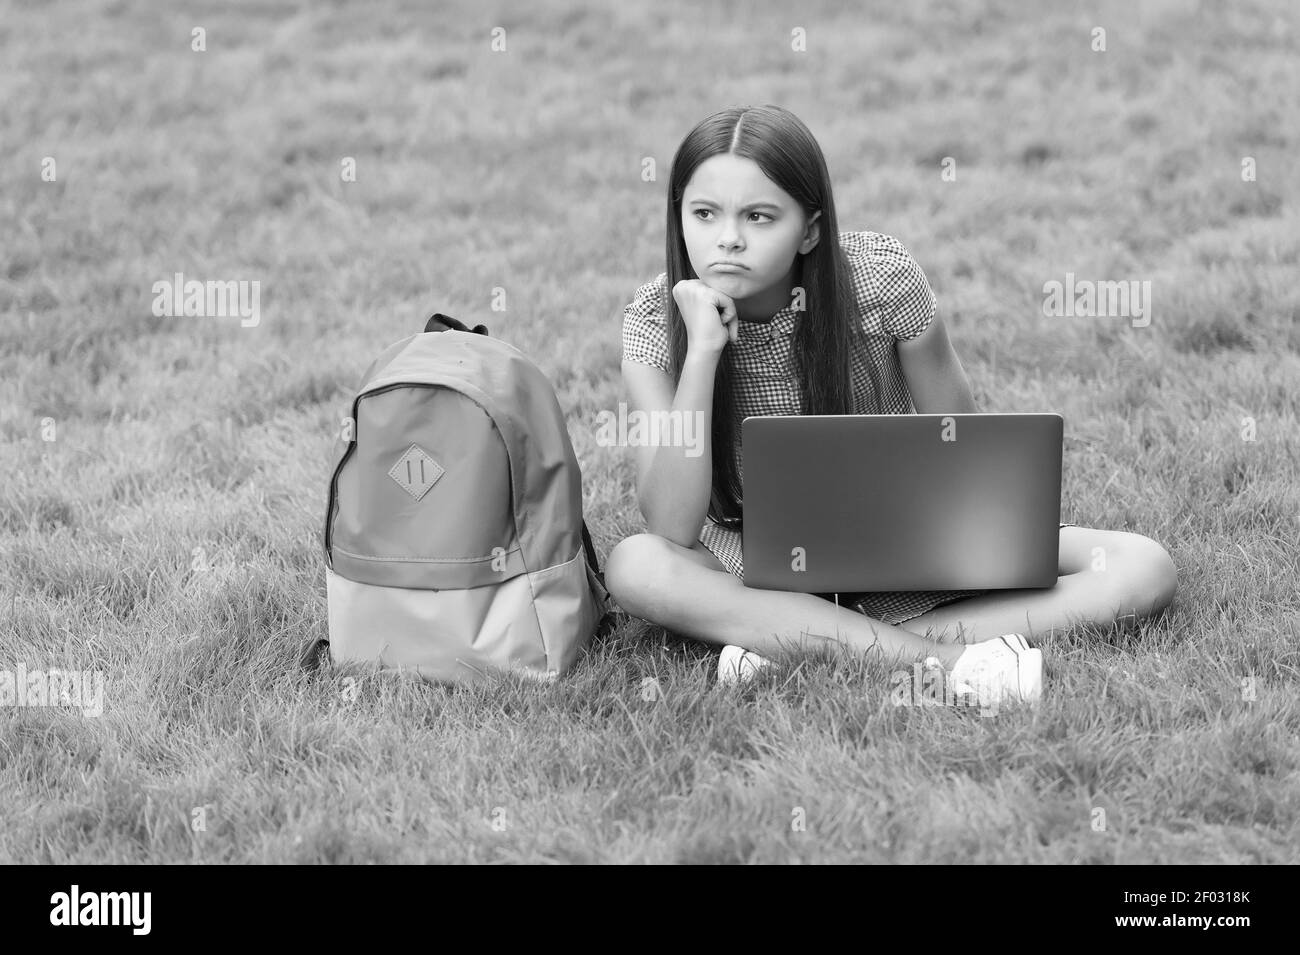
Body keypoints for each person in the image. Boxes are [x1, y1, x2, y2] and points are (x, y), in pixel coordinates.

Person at [604, 104, 1177, 708]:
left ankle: (792, 645)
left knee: (1143, 566)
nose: (728, 239)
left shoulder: (882, 279)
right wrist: (701, 354)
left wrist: (942, 534)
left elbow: (961, 445)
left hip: (910, 540)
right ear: (679, 217)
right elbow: (671, 524)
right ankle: (954, 663)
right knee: (635, 566)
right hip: (751, 556)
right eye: (704, 213)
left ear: (810, 229)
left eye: (759, 216)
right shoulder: (652, 320)